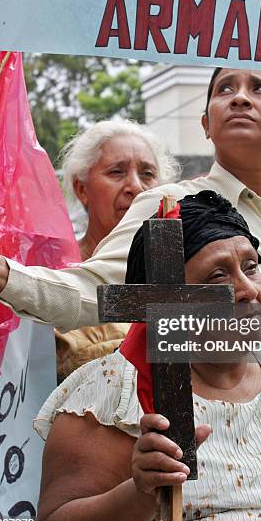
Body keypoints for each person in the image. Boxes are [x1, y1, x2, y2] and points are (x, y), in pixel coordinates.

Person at [0, 69, 261, 404]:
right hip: (220, 440)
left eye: (259, 88)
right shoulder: (171, 206)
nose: (240, 97)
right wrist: (3, 273)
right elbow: (97, 292)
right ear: (206, 125)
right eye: (225, 88)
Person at [34, 192, 261, 521]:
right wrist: (139, 495)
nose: (247, 290)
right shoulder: (110, 392)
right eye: (217, 276)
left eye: (251, 267)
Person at [56, 118, 179, 378]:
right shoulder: (52, 277)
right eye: (116, 172)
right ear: (82, 189)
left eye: (147, 174)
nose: (135, 186)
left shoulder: (184, 275)